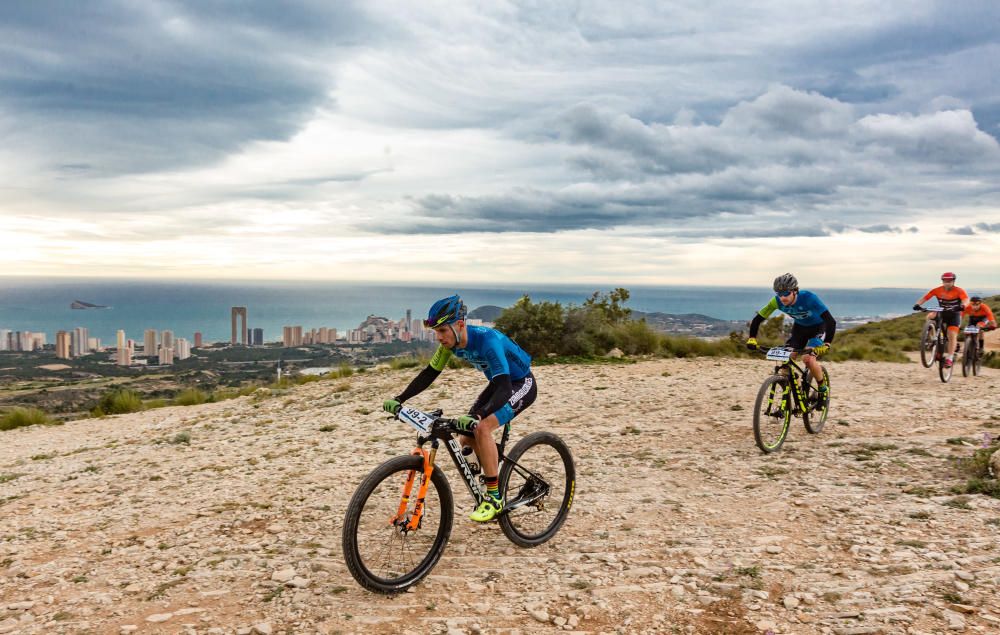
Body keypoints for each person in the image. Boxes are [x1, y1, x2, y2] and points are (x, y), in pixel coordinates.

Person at [382, 295, 536, 522]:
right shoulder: (450, 345)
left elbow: (504, 387)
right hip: (499, 383)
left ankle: (494, 498)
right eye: (436, 331)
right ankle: (491, 463)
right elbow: (429, 374)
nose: (439, 337)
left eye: (443, 330)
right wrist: (400, 399)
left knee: (481, 427)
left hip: (520, 383)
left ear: (460, 325)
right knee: (465, 437)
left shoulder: (488, 341)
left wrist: (479, 415)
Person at [745, 273, 837, 405]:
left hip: (818, 328)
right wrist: (752, 338)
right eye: (779, 294)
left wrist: (827, 343)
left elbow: (831, 321)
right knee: (786, 358)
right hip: (799, 329)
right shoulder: (776, 302)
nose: (782, 297)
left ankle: (822, 389)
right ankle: (798, 391)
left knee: (808, 359)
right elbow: (758, 319)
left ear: (795, 291)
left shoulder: (809, 298)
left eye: (786, 293)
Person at [913, 272, 969, 368]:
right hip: (942, 312)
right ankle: (932, 337)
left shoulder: (959, 291)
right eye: (945, 281)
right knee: (929, 316)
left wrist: (963, 306)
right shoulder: (937, 290)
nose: (947, 283)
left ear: (953, 281)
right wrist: (917, 304)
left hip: (954, 314)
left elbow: (966, 300)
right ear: (942, 281)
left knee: (951, 335)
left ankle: (950, 358)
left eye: (949, 281)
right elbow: (925, 298)